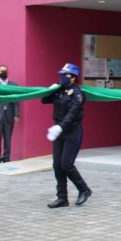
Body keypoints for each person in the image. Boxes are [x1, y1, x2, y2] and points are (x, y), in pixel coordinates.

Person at [42, 63, 92, 208]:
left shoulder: (78, 94)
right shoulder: (59, 91)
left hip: (72, 131)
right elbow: (44, 100)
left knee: (66, 165)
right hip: (58, 131)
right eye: (61, 75)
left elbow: (73, 112)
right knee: (57, 165)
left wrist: (60, 127)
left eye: (65, 75)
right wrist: (50, 90)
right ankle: (62, 198)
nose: (62, 77)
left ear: (73, 78)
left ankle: (84, 189)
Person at [0, 64, 20, 163]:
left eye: (5, 70)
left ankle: (6, 157)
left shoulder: (14, 85)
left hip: (9, 115)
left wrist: (16, 114)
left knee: (8, 139)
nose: (3, 72)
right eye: (1, 71)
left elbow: (16, 101)